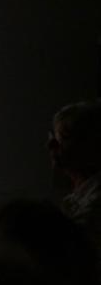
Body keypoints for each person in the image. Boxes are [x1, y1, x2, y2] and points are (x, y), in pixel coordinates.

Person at [48, 99, 101, 253]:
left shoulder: (96, 204)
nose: (51, 145)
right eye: (53, 137)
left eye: (64, 137)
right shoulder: (77, 198)